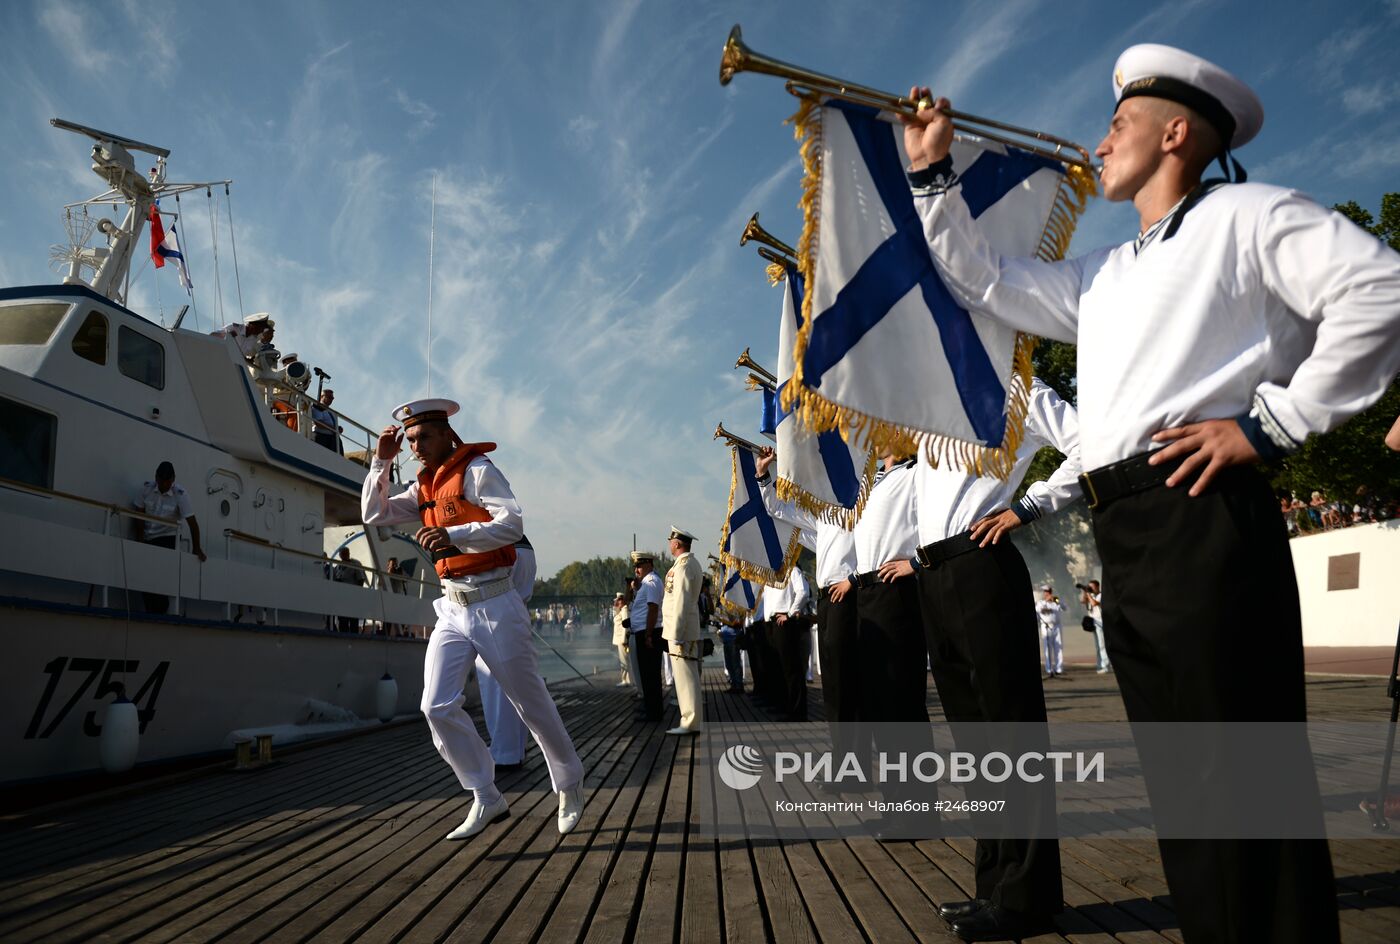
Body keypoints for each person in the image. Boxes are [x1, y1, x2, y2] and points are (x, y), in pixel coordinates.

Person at [900, 41, 1400, 942]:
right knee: (1189, 790)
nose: (1101, 141)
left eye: (1118, 123)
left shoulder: (1247, 215)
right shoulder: (1104, 272)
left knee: (1243, 782)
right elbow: (982, 279)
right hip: (1128, 524)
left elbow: (1381, 290)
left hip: (1201, 513)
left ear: (1176, 133)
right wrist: (932, 174)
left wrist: (1269, 425)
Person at [891, 376, 1083, 936]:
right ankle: (995, 885)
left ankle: (1028, 897)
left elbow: (1089, 440)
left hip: (982, 564)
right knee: (975, 741)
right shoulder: (928, 402)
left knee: (1010, 733)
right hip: (937, 573)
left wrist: (1030, 506)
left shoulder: (1012, 382)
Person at [361, 397, 585, 839]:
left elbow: (512, 522)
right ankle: (486, 793)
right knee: (435, 705)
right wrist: (379, 464)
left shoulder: (477, 470)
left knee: (530, 702)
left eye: (424, 436)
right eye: (409, 440)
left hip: (495, 603)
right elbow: (374, 514)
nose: (417, 446)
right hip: (451, 607)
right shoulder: (422, 488)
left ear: (447, 434)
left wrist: (454, 534)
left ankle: (570, 782)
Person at [754, 447, 860, 730]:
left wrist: (854, 579)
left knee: (849, 681)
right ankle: (845, 759)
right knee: (833, 684)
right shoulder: (823, 514)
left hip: (849, 596)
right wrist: (763, 475)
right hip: (827, 600)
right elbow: (778, 508)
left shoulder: (859, 506)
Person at [474, 534, 537, 773]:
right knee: (516, 688)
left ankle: (504, 754)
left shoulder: (494, 537)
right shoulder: (521, 539)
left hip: (493, 615)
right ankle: (515, 749)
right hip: (517, 613)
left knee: (495, 687)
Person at [132, 460, 206, 613]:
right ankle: (150, 611)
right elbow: (138, 513)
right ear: (156, 478)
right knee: (145, 578)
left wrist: (196, 548)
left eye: (167, 481)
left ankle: (160, 612)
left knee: (160, 578)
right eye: (160, 480)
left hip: (167, 538)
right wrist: (139, 540)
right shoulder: (146, 489)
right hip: (148, 537)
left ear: (173, 480)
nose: (163, 485)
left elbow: (192, 523)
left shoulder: (181, 495)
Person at [662, 527, 704, 734]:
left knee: (686, 678)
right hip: (683, 630)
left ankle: (690, 722)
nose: (669, 543)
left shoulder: (685, 567)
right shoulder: (687, 564)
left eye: (671, 540)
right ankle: (689, 719)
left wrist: (677, 633)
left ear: (677, 543)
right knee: (686, 677)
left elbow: (681, 602)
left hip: (681, 632)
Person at [629, 551, 665, 722]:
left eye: (639, 565)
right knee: (646, 675)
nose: (637, 569)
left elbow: (653, 609)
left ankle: (654, 712)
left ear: (649, 564)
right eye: (635, 566)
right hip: (643, 632)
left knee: (651, 675)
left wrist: (649, 635)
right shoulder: (644, 584)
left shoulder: (652, 582)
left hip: (648, 633)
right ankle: (650, 708)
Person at [330, 547, 367, 632]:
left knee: (353, 620)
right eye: (343, 553)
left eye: (346, 553)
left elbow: (361, 579)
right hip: (341, 599)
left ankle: (354, 639)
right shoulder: (337, 567)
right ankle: (344, 637)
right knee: (343, 621)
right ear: (340, 555)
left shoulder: (356, 564)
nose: (345, 554)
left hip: (353, 598)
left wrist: (357, 594)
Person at [1034, 586, 1066, 678]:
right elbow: (1038, 611)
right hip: (1046, 626)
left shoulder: (1056, 601)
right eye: (1045, 592)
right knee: (1047, 648)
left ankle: (1059, 668)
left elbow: (1064, 607)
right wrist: (1046, 603)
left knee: (1058, 647)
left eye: (1048, 591)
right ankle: (1049, 669)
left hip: (1057, 626)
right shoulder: (1041, 603)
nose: (1047, 593)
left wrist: (1056, 600)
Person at [1081, 579, 1110, 673]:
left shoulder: (1101, 595)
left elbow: (1094, 603)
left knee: (1102, 645)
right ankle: (1100, 664)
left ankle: (1105, 666)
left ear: (1097, 587)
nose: (1090, 588)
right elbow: (1083, 601)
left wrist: (1089, 594)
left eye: (1091, 587)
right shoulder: (1091, 595)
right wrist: (1085, 592)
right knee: (1097, 646)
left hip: (1101, 623)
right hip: (1093, 623)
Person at [611, 592, 632, 688]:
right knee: (623, 660)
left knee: (624, 660)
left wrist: (624, 640)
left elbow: (626, 626)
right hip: (619, 638)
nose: (617, 602)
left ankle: (626, 680)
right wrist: (616, 606)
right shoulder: (620, 610)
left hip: (622, 639)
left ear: (623, 600)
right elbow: (615, 613)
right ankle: (626, 679)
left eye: (619, 600)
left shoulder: (625, 610)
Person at [311, 389, 342, 454]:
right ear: (322, 397)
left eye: (332, 398)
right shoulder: (317, 407)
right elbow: (318, 423)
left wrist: (338, 428)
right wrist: (334, 429)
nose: (331, 399)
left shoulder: (332, 412)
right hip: (322, 437)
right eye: (329, 397)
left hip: (333, 439)